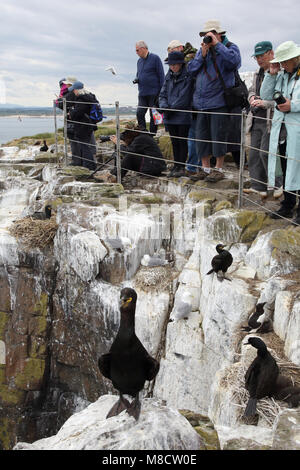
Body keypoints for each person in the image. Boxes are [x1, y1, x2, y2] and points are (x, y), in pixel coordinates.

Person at [187, 19, 241, 182]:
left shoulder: (230, 47)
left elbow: (234, 63)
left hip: (219, 101)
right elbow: (190, 70)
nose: (206, 37)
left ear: (219, 34)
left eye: (209, 34)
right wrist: (201, 56)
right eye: (205, 35)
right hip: (201, 103)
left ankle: (218, 169)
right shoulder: (202, 51)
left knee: (218, 136)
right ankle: (204, 168)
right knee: (201, 137)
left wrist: (218, 45)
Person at [260, 41, 300, 225]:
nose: (282, 64)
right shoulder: (282, 74)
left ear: (294, 58)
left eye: (284, 61)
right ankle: (288, 203)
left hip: (297, 127)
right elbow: (266, 95)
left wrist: (293, 105)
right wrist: (271, 73)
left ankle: (299, 210)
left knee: (298, 167)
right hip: (282, 128)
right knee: (284, 165)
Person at [244, 41, 281, 198]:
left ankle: (279, 185)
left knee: (267, 153)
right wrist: (252, 97)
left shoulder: (278, 73)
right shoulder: (257, 73)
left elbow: (281, 98)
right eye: (256, 57)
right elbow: (251, 89)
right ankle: (258, 185)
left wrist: (265, 103)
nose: (259, 59)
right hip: (256, 119)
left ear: (271, 53)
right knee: (254, 154)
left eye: (261, 55)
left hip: (270, 120)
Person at [159, 51, 194, 177]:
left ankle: (181, 166)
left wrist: (170, 108)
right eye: (170, 64)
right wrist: (163, 106)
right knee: (174, 142)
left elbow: (185, 96)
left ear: (180, 64)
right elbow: (162, 94)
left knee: (182, 141)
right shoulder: (168, 76)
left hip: (182, 115)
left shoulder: (188, 76)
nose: (172, 66)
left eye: (175, 64)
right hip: (170, 115)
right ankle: (176, 165)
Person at [98, 123, 166, 182]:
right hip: (152, 165)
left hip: (154, 167)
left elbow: (127, 153)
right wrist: (123, 144)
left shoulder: (141, 138)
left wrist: (119, 144)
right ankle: (113, 175)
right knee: (128, 155)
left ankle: (114, 177)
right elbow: (132, 150)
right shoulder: (141, 136)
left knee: (130, 156)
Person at [134, 41, 165, 135]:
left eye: (137, 50)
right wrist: (137, 79)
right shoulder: (139, 61)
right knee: (139, 113)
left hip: (154, 93)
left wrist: (161, 93)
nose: (136, 52)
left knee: (153, 115)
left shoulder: (155, 58)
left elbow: (161, 76)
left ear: (143, 48)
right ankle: (143, 134)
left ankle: (152, 135)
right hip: (142, 93)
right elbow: (138, 74)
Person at [68, 81, 99, 171]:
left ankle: (89, 166)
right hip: (89, 125)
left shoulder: (81, 99)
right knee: (86, 145)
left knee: (84, 147)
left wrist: (71, 112)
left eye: (73, 90)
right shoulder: (90, 97)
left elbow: (78, 113)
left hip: (83, 126)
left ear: (77, 90)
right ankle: (90, 165)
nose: (73, 92)